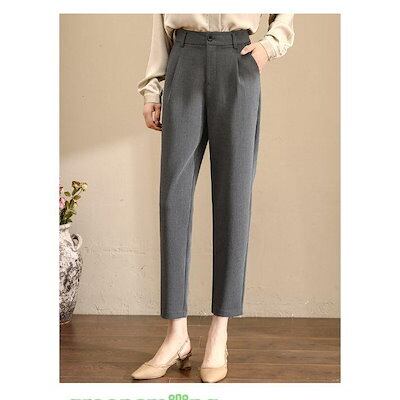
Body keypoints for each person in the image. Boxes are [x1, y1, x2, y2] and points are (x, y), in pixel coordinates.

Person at [132, 14, 294, 383]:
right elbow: (161, 22)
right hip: (184, 57)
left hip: (238, 60)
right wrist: (153, 89)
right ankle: (176, 334)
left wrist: (269, 46)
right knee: (173, 200)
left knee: (234, 196)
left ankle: (220, 332)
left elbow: (284, 14)